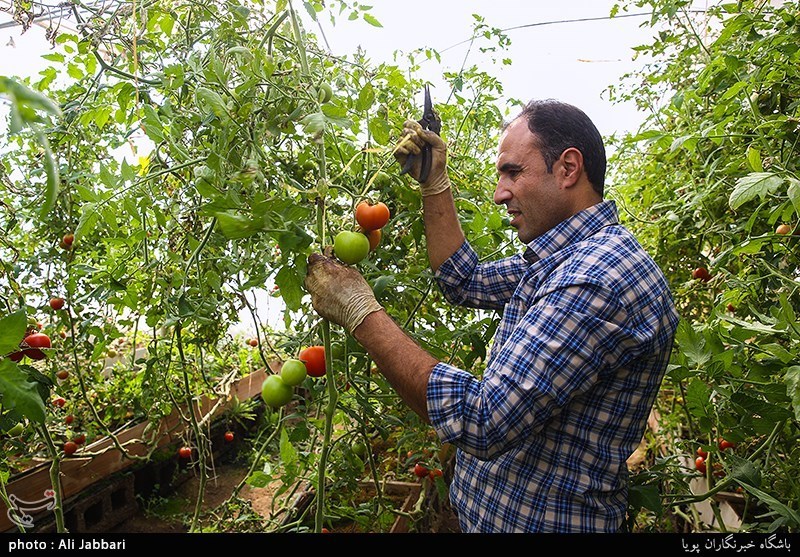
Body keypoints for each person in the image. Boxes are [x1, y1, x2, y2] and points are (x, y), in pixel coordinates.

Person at [304, 99, 680, 533]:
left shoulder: (596, 277)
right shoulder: (564, 259)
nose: (500, 192)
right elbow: (463, 279)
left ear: (568, 168)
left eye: (512, 172)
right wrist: (434, 183)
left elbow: (483, 418)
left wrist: (358, 309)